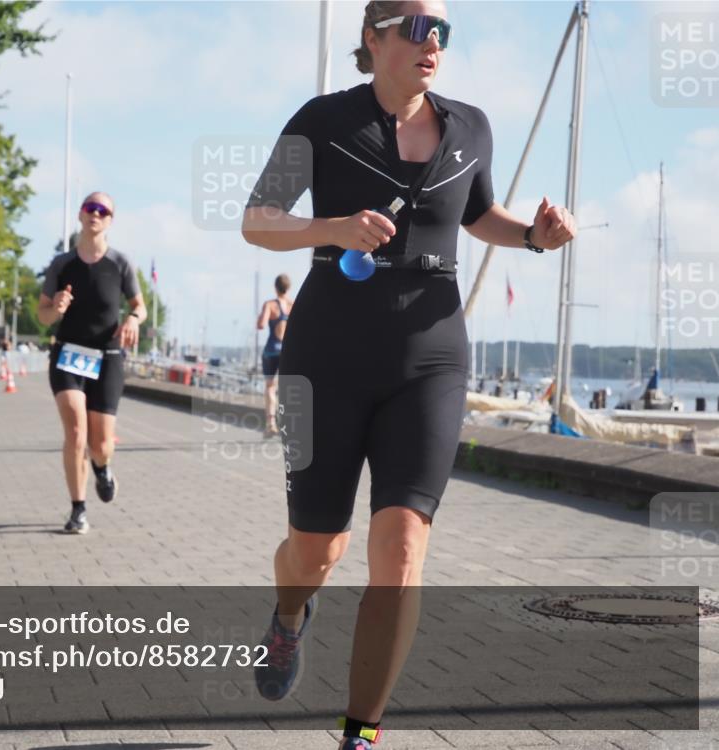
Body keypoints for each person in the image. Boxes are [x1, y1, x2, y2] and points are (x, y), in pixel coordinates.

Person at [241, 2, 576, 747]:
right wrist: (333, 228)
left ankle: (360, 733)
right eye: (421, 28)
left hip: (431, 357)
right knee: (317, 549)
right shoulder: (322, 120)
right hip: (327, 354)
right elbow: (258, 219)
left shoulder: (471, 126)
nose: (436, 44)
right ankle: (289, 614)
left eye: (445, 32)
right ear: (375, 36)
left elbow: (479, 215)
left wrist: (534, 236)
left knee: (400, 552)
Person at [38, 192, 146, 534]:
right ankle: (78, 509)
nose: (95, 214)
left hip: (108, 357)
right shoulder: (61, 264)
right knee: (75, 432)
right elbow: (42, 315)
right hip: (68, 355)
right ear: (80, 215)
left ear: (110, 220)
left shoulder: (120, 263)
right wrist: (56, 308)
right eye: (90, 208)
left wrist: (133, 319)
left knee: (100, 445)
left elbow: (140, 306)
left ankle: (102, 468)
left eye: (103, 210)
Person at [256, 274, 293, 437]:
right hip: (286, 351)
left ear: (275, 287)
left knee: (270, 387)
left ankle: (270, 424)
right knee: (287, 386)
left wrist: (261, 317)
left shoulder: (270, 305)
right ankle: (288, 423)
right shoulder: (293, 305)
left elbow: (261, 325)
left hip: (271, 350)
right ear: (288, 288)